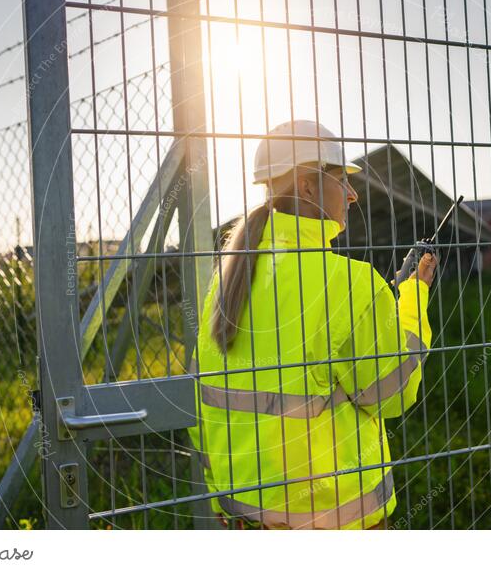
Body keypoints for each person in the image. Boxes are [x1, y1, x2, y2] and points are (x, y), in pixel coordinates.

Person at [187, 120, 437, 530]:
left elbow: (203, 402)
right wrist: (412, 298)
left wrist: (219, 491)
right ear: (307, 186)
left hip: (248, 520)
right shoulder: (351, 283)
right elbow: (393, 393)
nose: (353, 194)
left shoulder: (228, 279)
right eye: (341, 179)